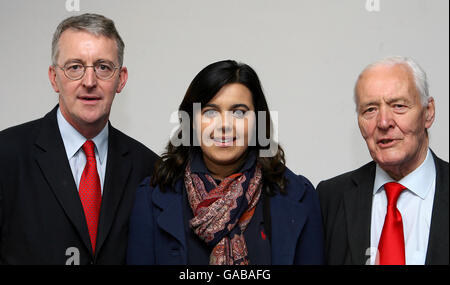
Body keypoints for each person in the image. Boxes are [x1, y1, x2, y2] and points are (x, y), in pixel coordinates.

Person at [127, 60, 324, 265]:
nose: (225, 125)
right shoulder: (151, 197)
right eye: (210, 111)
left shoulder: (298, 195)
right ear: (191, 122)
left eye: (239, 112)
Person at [0, 13, 158, 264]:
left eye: (103, 67)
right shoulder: (6, 155)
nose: (89, 81)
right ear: (54, 78)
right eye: (75, 67)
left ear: (121, 79)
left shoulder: (149, 168)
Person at [317, 56, 448, 265]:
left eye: (398, 105)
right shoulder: (330, 198)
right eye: (370, 109)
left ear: (428, 112)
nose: (384, 122)